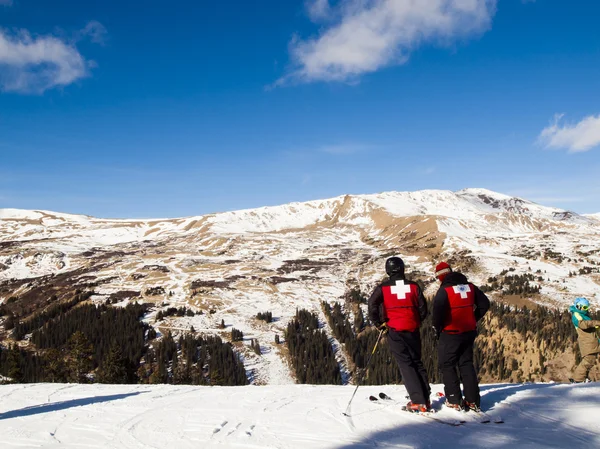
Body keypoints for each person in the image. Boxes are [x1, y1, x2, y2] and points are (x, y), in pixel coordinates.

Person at [367, 256, 430, 412]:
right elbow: (423, 308)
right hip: (413, 328)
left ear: (388, 270)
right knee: (417, 361)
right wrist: (416, 321)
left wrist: (378, 324)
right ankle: (426, 398)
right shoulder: (414, 287)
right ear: (402, 268)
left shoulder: (383, 288)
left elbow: (371, 304)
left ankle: (418, 401)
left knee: (405, 364)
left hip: (395, 329)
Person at [432, 262, 490, 411]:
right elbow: (484, 304)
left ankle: (454, 399)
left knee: (448, 365)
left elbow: (437, 314)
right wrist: (473, 318)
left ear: (441, 276)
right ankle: (473, 401)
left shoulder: (444, 290)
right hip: (469, 332)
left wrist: (438, 329)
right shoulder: (470, 287)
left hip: (450, 333)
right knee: (466, 364)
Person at [569, 297, 600, 383]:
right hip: (587, 341)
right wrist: (595, 323)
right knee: (588, 360)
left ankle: (583, 378)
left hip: (592, 340)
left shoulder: (584, 315)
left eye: (587, 307)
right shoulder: (576, 315)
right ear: (578, 306)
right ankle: (578, 379)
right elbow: (583, 325)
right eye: (584, 308)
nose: (586, 310)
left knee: (590, 360)